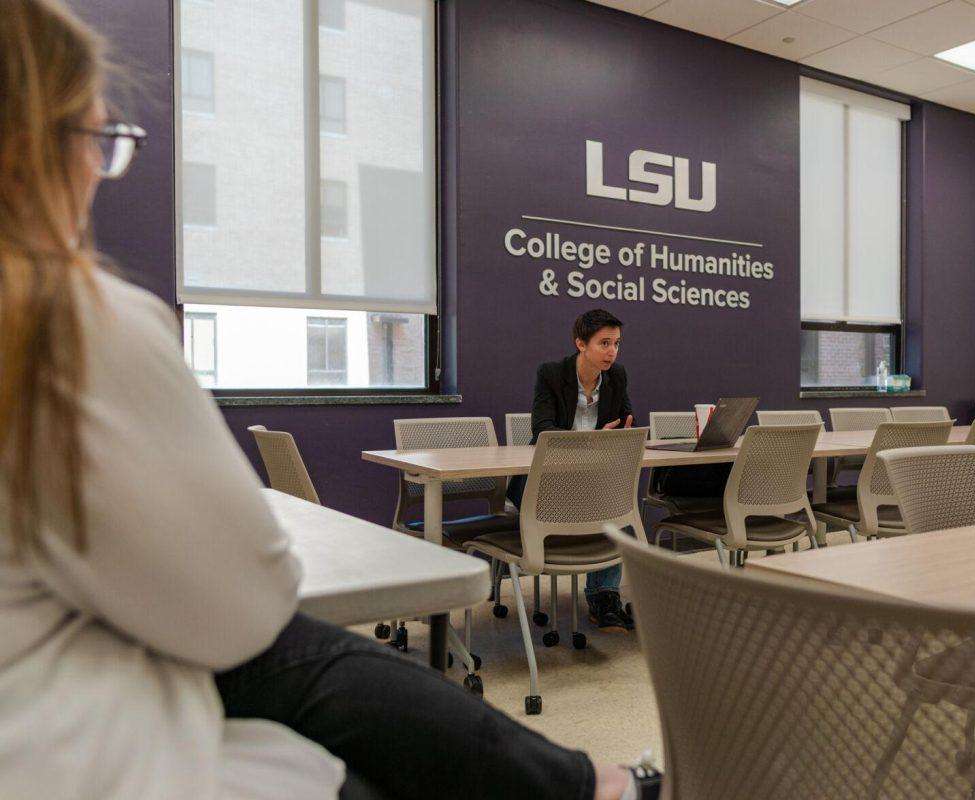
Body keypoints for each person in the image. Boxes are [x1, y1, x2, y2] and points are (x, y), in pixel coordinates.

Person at [0, 2, 659, 799]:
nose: (96, 174)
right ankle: (595, 786)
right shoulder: (71, 328)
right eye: (96, 142)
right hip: (98, 744)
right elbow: (246, 610)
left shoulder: (59, 334)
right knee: (295, 652)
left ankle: (590, 783)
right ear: (34, 149)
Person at [507, 308, 637, 631]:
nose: (612, 352)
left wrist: (623, 435)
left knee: (617, 500)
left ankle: (604, 597)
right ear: (581, 343)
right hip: (545, 482)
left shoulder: (617, 376)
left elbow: (625, 420)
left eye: (616, 343)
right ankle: (602, 596)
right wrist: (595, 439)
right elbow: (543, 432)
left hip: (590, 481)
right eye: (604, 343)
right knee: (606, 497)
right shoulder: (551, 374)